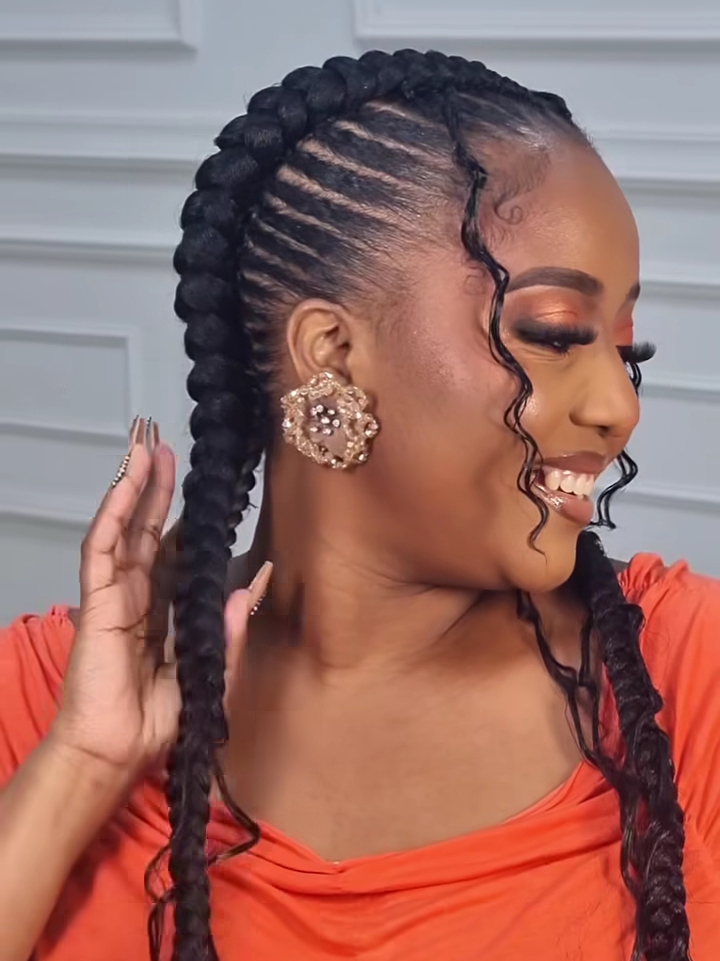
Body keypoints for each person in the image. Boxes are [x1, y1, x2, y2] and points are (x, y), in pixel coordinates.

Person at [0, 48, 717, 961]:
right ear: (332, 352)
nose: (619, 406)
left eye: (626, 350)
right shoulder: (46, 697)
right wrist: (83, 764)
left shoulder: (684, 677)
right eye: (555, 333)